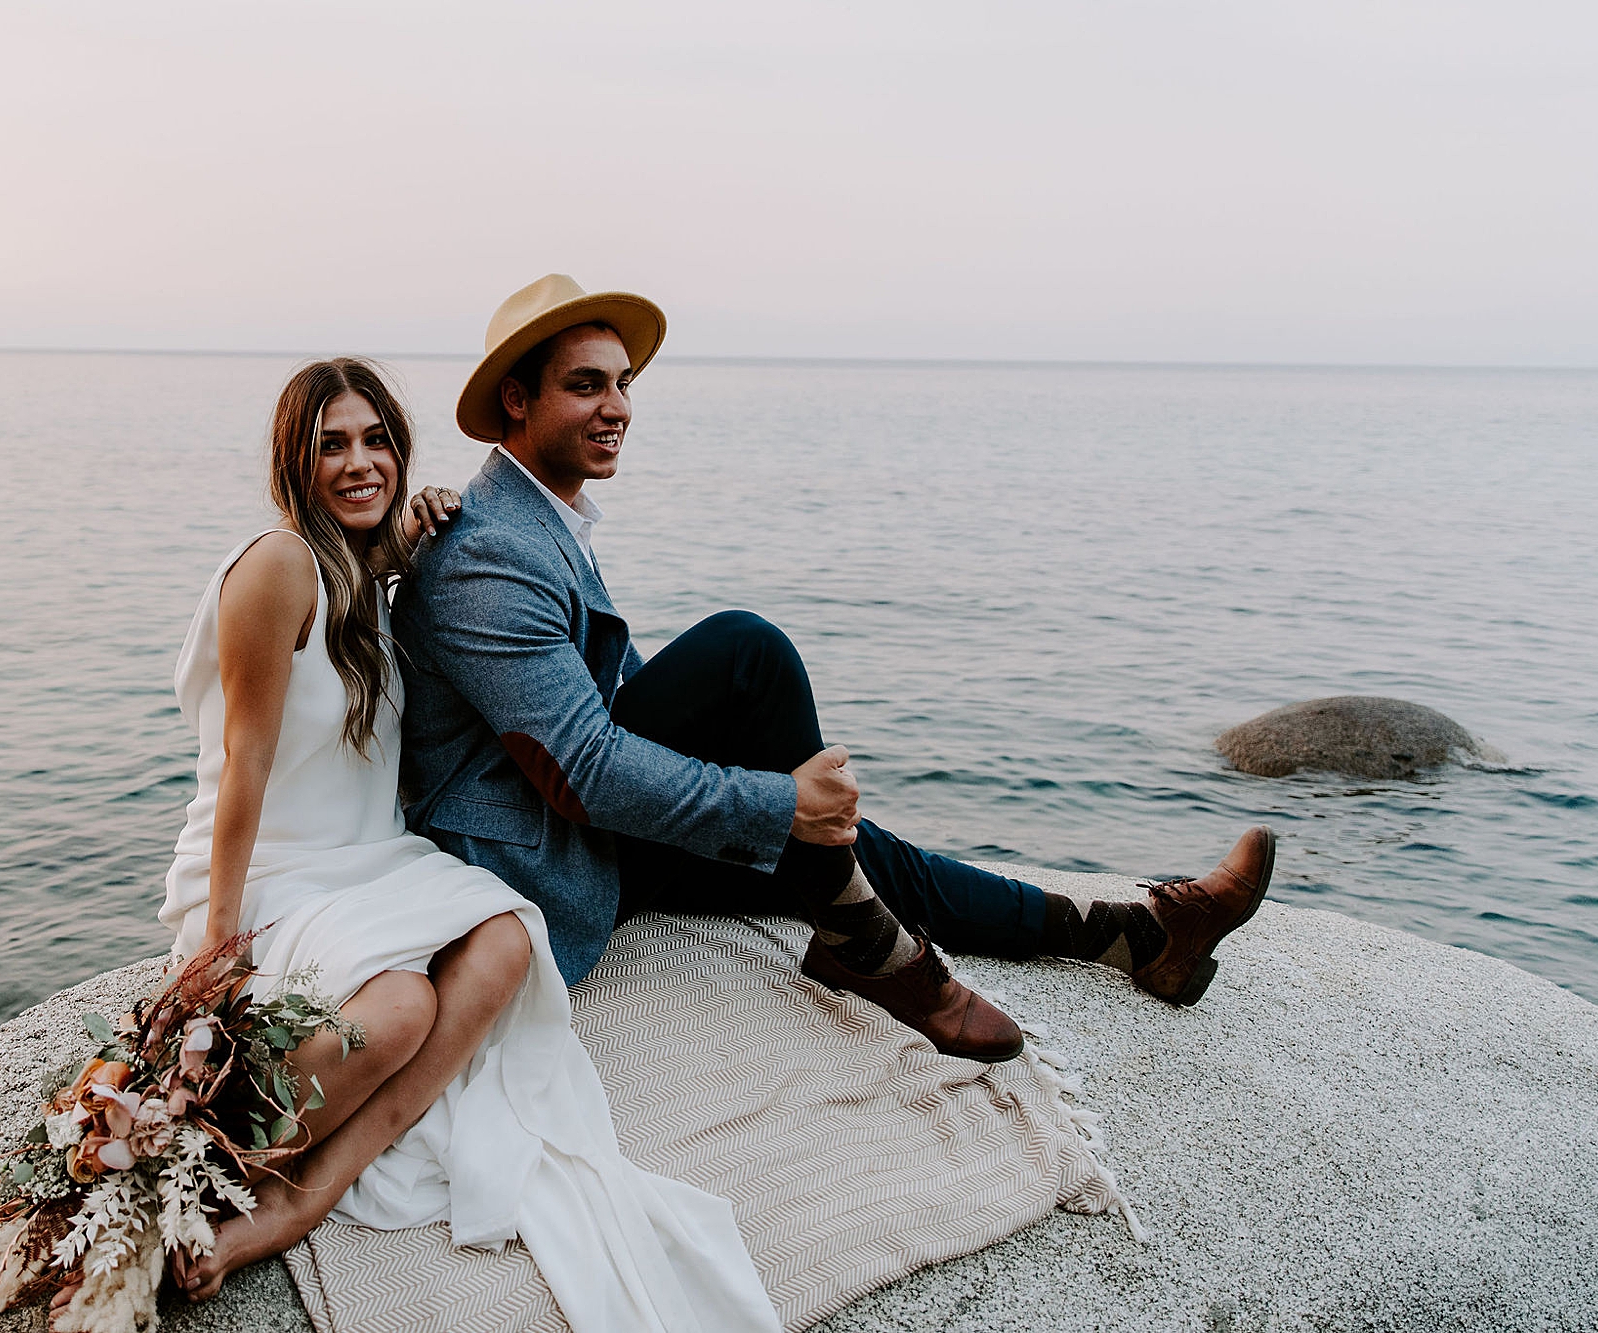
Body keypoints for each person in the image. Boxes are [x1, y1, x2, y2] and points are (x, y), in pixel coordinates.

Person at [393, 275, 1277, 1065]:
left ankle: (1137, 934)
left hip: (575, 829)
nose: (617, 404)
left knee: (853, 848)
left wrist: (767, 794)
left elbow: (615, 699)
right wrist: (775, 798)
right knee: (748, 654)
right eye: (586, 384)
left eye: (624, 382)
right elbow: (580, 772)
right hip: (536, 863)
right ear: (517, 398)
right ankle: (866, 942)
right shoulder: (487, 553)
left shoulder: (545, 520)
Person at [82, 357, 782, 1333]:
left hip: (368, 861)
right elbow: (241, 766)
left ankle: (311, 1186)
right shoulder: (277, 567)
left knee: (505, 939)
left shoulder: (375, 574)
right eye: (333, 443)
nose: (360, 461)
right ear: (296, 459)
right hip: (279, 873)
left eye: (377, 439)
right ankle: (244, 1155)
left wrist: (417, 532)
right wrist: (214, 944)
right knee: (404, 1006)